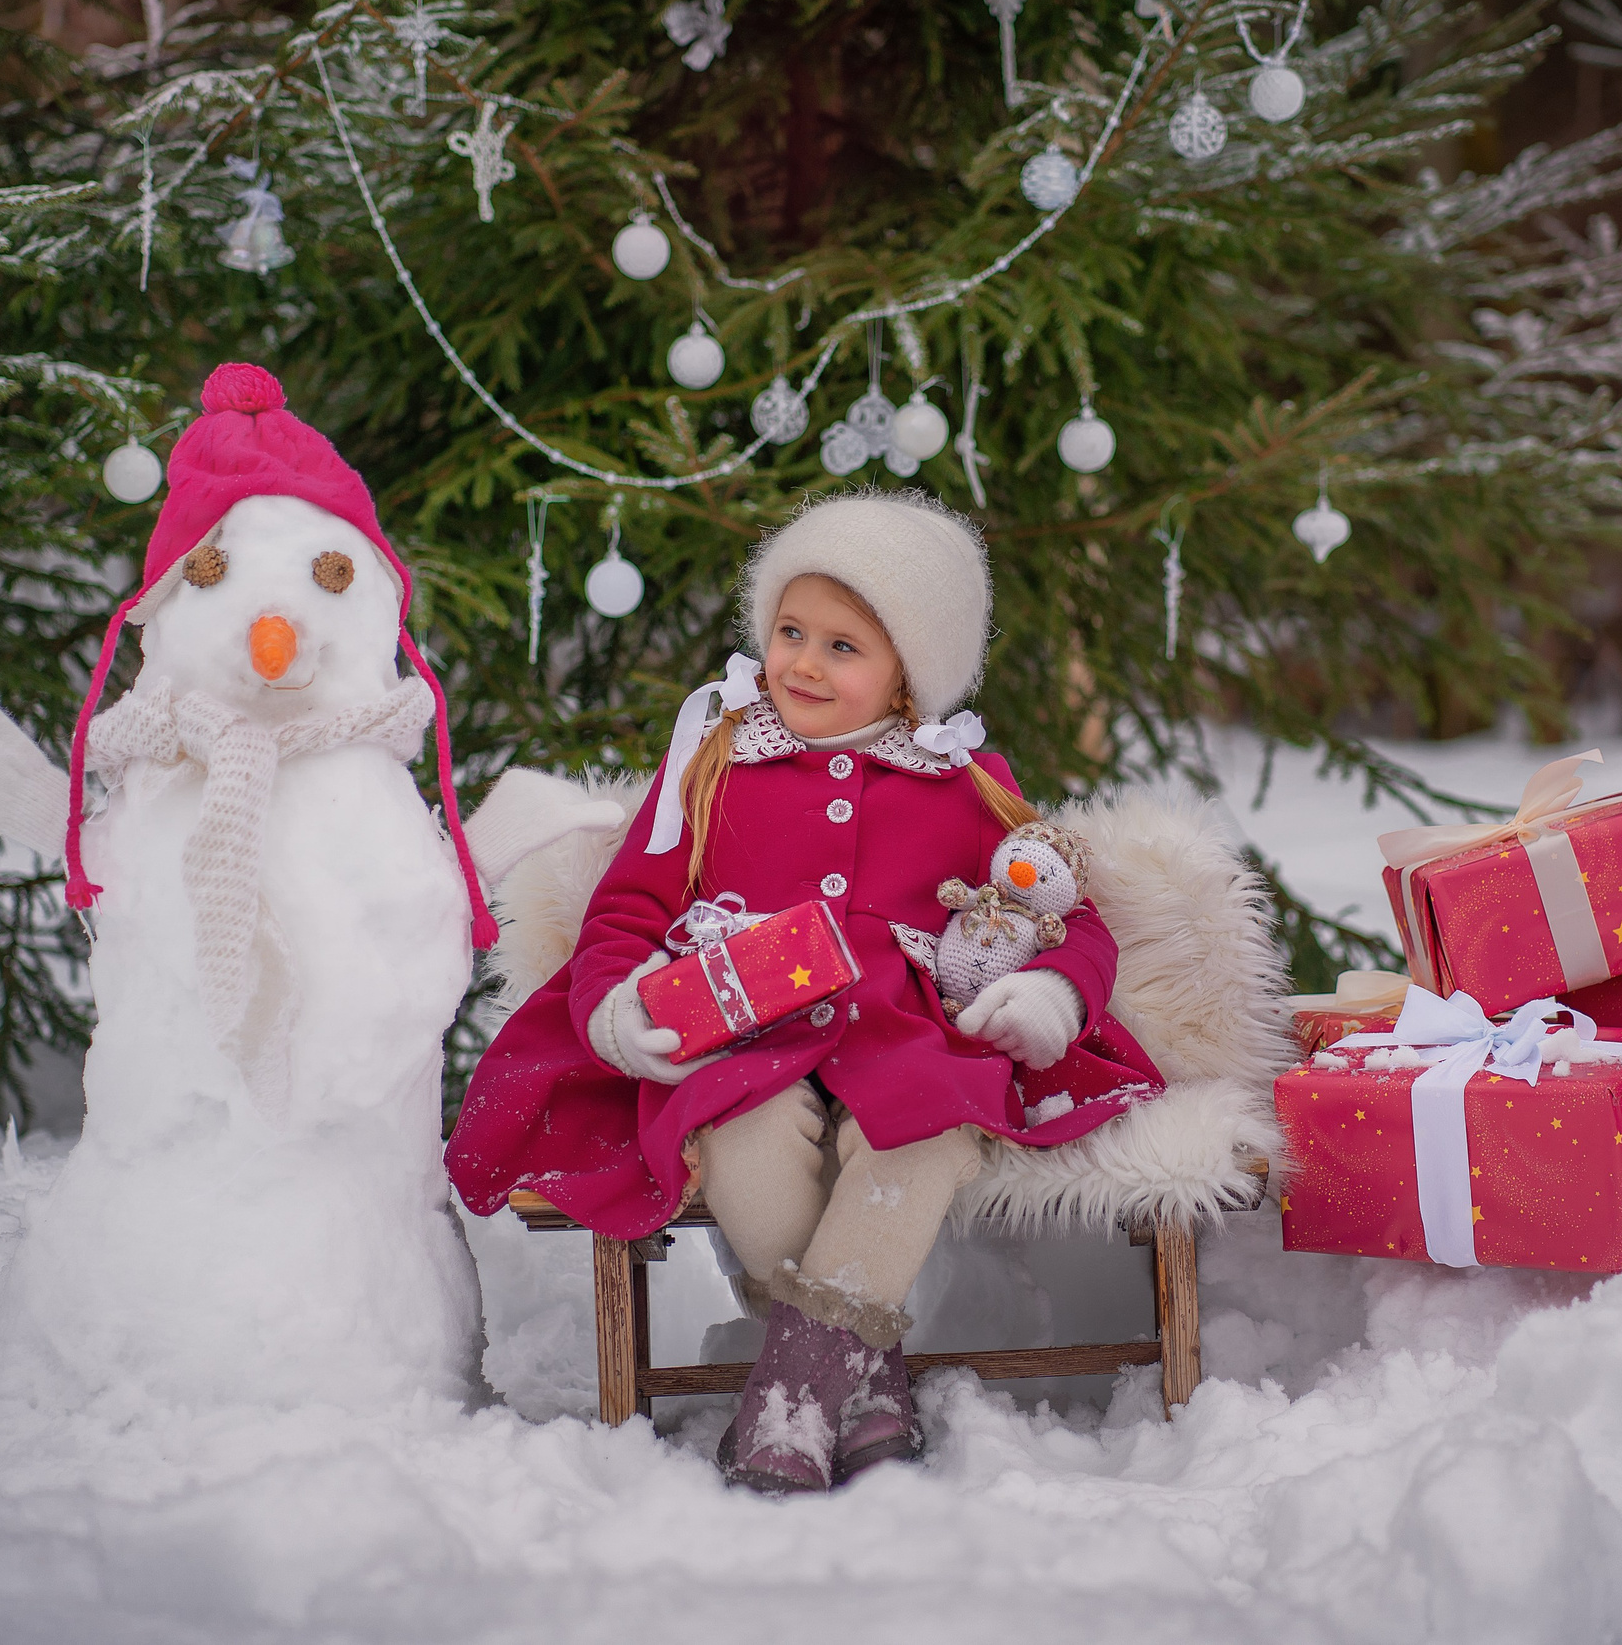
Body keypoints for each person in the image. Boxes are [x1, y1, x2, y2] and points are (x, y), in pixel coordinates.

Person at [447, 490, 1162, 1492]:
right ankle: (860, 1385)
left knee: (917, 1145)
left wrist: (1052, 991)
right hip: (749, 1042)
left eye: (842, 647)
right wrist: (618, 1007)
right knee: (743, 1148)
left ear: (909, 671)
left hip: (910, 1047)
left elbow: (1067, 918)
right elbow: (622, 912)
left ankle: (792, 1396)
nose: (803, 664)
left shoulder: (960, 783)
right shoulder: (714, 765)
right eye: (791, 632)